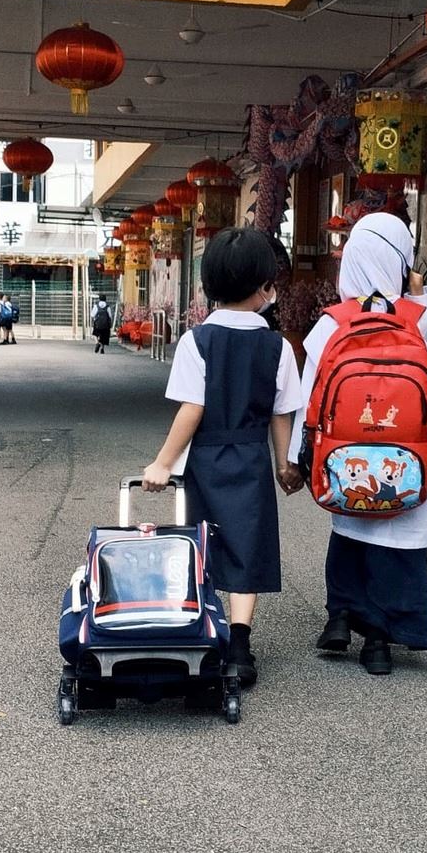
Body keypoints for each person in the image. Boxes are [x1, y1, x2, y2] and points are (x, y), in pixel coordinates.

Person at [142, 227, 303, 689]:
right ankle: (239, 645)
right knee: (246, 548)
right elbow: (279, 413)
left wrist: (162, 463)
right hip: (251, 458)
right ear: (264, 287)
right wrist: (283, 464)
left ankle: (203, 631)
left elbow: (193, 409)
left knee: (202, 543)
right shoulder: (278, 346)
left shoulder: (197, 341)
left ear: (210, 283)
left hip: (207, 460)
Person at [291, 212, 427, 677]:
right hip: (407, 462)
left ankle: (340, 616)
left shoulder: (331, 324)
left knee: (349, 535)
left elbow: (308, 395)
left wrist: (299, 457)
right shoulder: (419, 321)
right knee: (399, 545)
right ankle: (378, 640)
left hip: (346, 460)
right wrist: (418, 289)